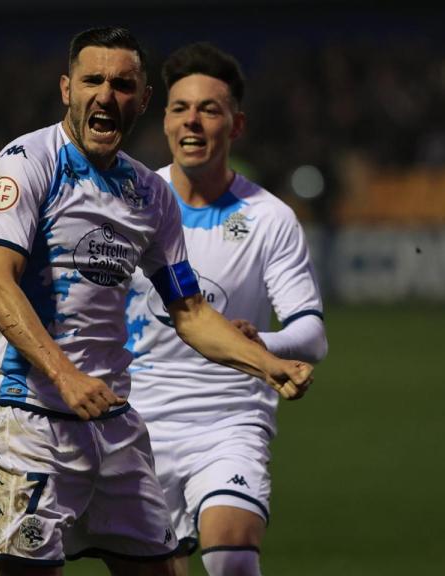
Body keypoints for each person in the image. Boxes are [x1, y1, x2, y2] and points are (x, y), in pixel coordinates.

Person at [0, 27, 314, 576]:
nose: (105, 95)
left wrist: (267, 365)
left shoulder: (149, 195)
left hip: (110, 420)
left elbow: (190, 313)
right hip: (22, 416)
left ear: (143, 100)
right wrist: (64, 375)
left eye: (123, 84)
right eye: (92, 80)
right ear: (66, 89)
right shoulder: (27, 163)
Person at [125, 43, 329, 576]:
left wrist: (262, 343)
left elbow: (311, 334)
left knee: (233, 558)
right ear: (165, 120)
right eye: (179, 108)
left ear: (235, 126)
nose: (192, 120)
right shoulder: (128, 206)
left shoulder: (269, 218)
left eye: (209, 109)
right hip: (136, 425)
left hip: (230, 418)